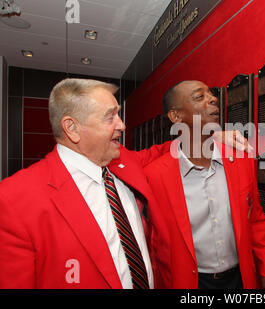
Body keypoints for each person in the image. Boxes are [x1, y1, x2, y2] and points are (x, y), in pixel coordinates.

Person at [0, 78, 250, 289]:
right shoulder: (15, 199)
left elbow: (166, 150)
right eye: (111, 117)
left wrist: (212, 133)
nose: (122, 124)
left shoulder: (124, 162)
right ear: (72, 128)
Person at [144, 80, 265, 289]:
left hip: (240, 280)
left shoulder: (241, 160)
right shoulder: (154, 176)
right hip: (190, 283)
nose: (213, 99)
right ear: (176, 116)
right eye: (199, 97)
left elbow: (255, 219)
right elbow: (153, 244)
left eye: (211, 94)